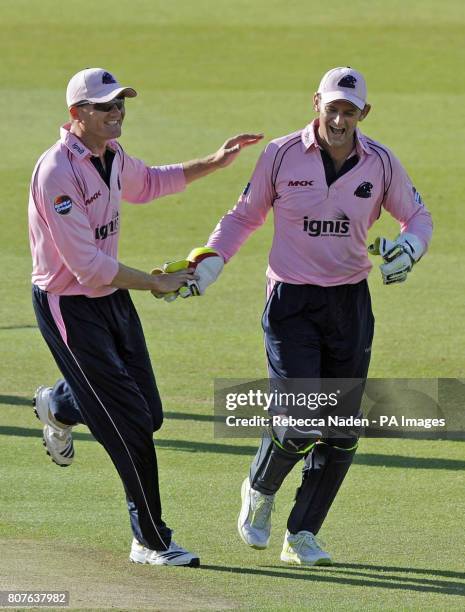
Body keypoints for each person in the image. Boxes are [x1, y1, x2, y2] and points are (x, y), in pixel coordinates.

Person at [28, 67, 262, 567]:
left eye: (120, 104)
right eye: (106, 106)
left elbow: (152, 182)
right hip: (68, 304)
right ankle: (150, 540)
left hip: (109, 294)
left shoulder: (110, 157)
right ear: (77, 115)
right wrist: (155, 281)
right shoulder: (57, 173)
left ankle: (61, 405)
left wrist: (215, 163)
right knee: (130, 423)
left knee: (149, 413)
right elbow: (86, 267)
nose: (118, 113)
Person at [204, 66, 433, 566]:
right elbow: (244, 215)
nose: (339, 118)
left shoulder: (382, 164)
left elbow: (418, 216)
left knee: (343, 427)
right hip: (291, 301)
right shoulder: (281, 154)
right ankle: (259, 489)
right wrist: (214, 259)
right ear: (316, 104)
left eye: (349, 110)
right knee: (303, 417)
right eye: (332, 107)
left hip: (349, 303)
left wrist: (409, 249)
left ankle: (302, 534)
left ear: (363, 114)